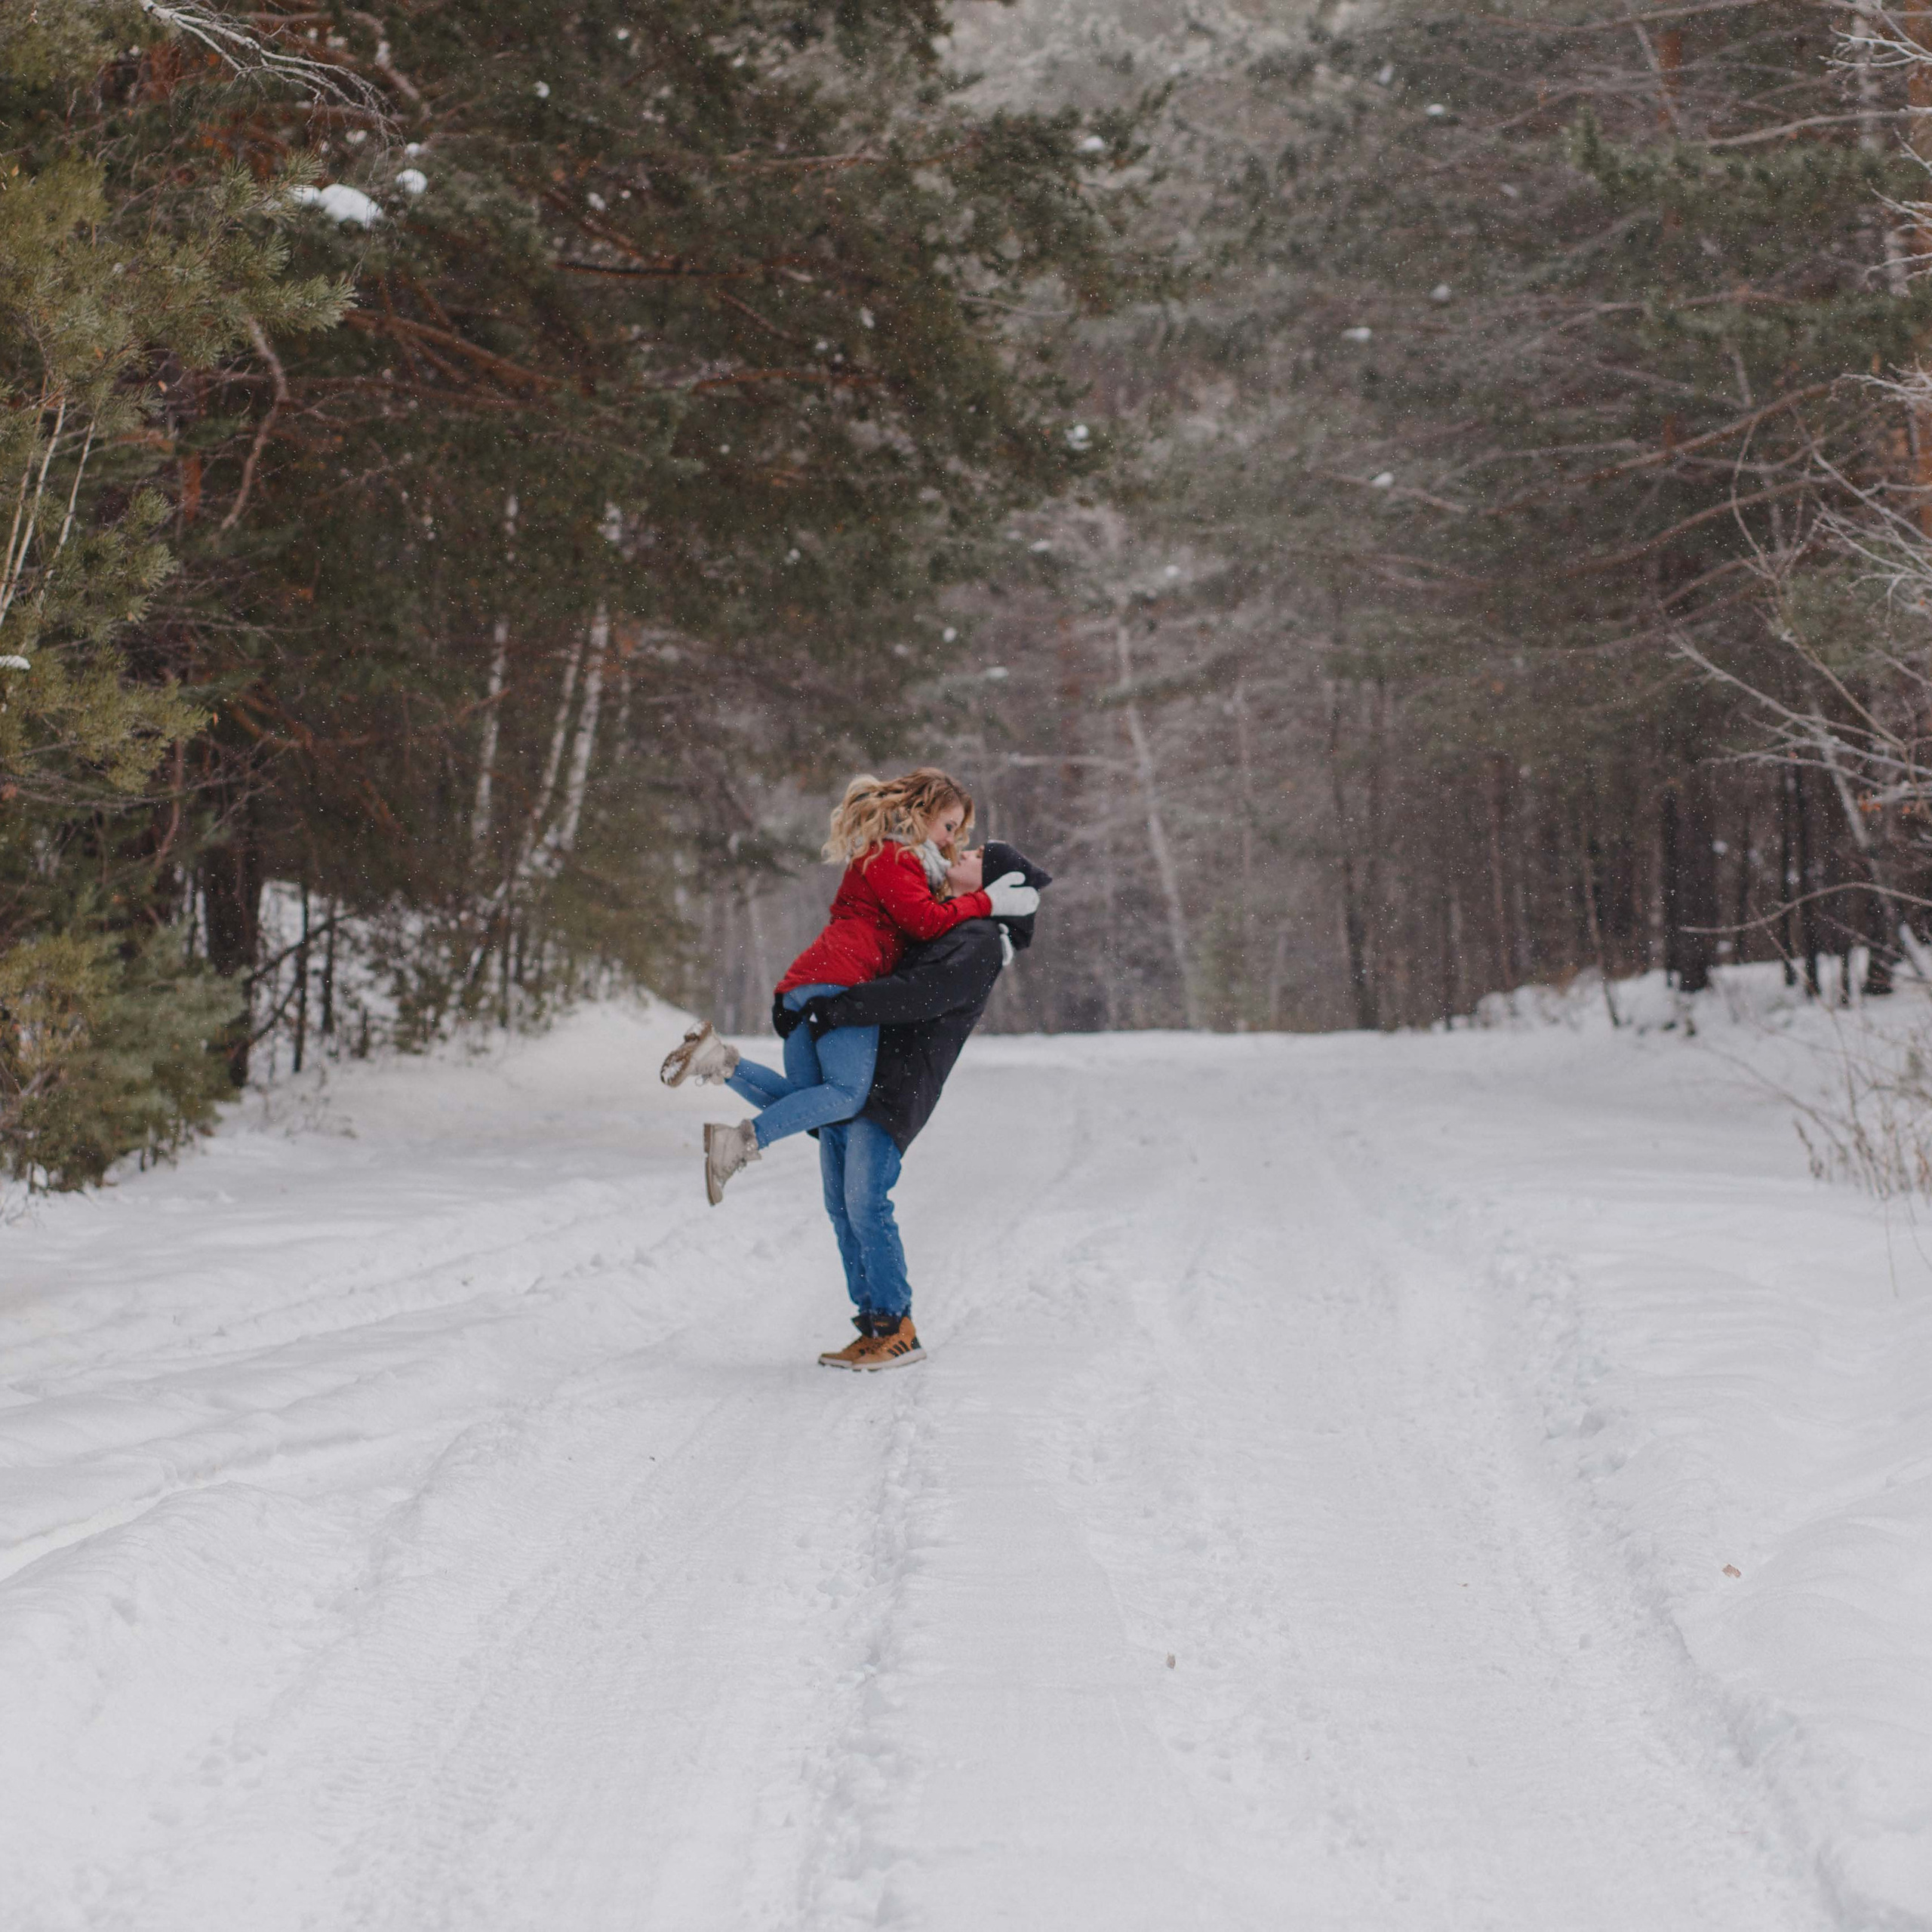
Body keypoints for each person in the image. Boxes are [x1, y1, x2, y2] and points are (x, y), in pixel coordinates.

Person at [659, 768, 1040, 1204]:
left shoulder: (897, 861)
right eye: (949, 826)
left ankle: (719, 1062)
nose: (952, 840)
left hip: (815, 977)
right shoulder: (895, 856)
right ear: (921, 812)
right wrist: (988, 902)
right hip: (843, 978)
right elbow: (926, 922)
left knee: (813, 1107)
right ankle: (740, 1143)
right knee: (844, 1096)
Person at [792, 838, 1052, 1371]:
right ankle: (870, 1323)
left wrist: (840, 1009)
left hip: (897, 1087)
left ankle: (897, 1326)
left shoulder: (978, 940)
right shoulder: (949, 923)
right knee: (842, 1206)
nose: (965, 851)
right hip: (859, 1073)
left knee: (866, 1201)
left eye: (980, 854)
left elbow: (922, 993)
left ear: (993, 883)